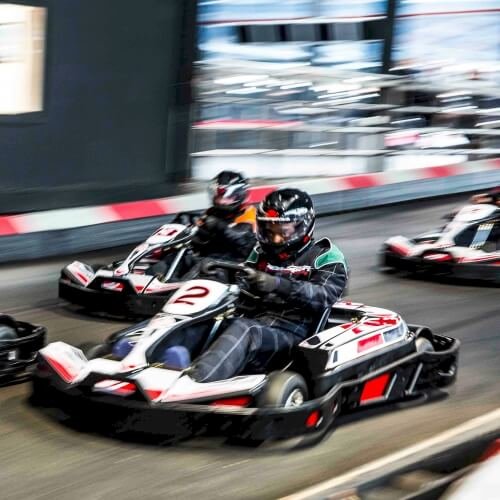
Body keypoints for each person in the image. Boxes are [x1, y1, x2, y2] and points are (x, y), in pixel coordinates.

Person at [185, 188, 348, 383]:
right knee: (206, 320)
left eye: (282, 231)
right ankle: (157, 366)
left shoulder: (325, 256)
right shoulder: (261, 252)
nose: (275, 238)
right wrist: (222, 277)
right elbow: (242, 282)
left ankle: (195, 381)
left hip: (293, 333)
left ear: (302, 226)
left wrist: (277, 284)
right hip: (256, 319)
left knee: (246, 330)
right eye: (269, 231)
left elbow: (324, 297)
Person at [191, 170, 257, 261]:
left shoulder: (249, 213)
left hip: (235, 262)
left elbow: (243, 238)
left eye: (224, 196)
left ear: (238, 195)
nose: (219, 200)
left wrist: (217, 224)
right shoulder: (213, 212)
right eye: (218, 195)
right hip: (207, 258)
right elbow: (199, 231)